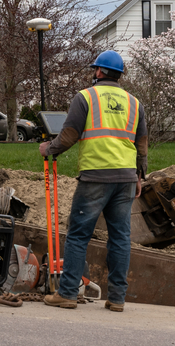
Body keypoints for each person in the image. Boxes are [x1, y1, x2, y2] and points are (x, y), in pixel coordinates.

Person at [39, 50, 147, 313]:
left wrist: (49, 149)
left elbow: (68, 136)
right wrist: (139, 176)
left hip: (95, 177)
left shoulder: (85, 97)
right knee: (120, 238)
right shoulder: (135, 103)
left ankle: (67, 294)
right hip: (125, 178)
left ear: (99, 71)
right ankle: (117, 299)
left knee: (78, 235)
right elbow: (142, 144)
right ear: (120, 74)